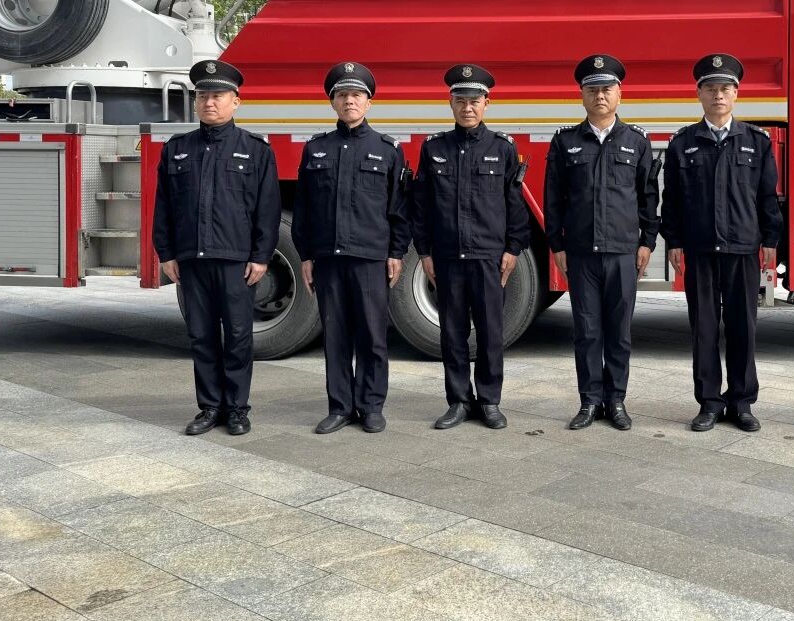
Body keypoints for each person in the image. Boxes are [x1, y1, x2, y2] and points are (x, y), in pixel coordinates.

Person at [153, 59, 280, 437]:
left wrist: (261, 257)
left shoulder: (255, 149)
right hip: (192, 260)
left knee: (238, 336)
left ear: (236, 101)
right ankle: (209, 407)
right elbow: (164, 206)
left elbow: (268, 209)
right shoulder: (177, 149)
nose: (209, 102)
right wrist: (166, 253)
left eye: (218, 96)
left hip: (235, 262)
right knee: (201, 336)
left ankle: (237, 409)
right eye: (203, 96)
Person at [662, 53, 783, 432]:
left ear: (736, 94)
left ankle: (742, 402)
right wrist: (674, 241)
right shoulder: (683, 143)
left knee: (743, 327)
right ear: (699, 94)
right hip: (699, 249)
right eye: (711, 89)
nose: (718, 95)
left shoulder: (756, 142)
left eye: (725, 88)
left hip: (743, 249)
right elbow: (672, 199)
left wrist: (771, 239)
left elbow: (768, 196)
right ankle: (709, 403)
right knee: (704, 329)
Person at [291, 62, 411, 435]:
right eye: (342, 95)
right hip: (328, 258)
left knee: (373, 336)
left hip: (370, 259)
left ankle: (371, 406)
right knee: (336, 336)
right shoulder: (316, 149)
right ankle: (340, 407)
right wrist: (306, 255)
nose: (349, 101)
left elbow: (399, 209)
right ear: (333, 102)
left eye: (357, 95)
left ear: (368, 102)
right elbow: (304, 208)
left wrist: (396, 253)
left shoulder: (388, 150)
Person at [411, 64, 530, 430]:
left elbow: (515, 203)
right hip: (447, 257)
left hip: (488, 258)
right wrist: (425, 252)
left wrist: (513, 248)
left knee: (491, 333)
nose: (467, 107)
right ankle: (459, 401)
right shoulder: (434, 148)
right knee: (452, 333)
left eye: (474, 101)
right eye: (461, 100)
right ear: (451, 103)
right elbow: (421, 205)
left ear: (486, 104)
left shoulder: (503, 148)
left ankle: (489, 401)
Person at [545, 54, 660, 431]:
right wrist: (557, 245)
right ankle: (590, 401)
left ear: (619, 94)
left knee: (619, 333)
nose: (600, 96)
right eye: (592, 90)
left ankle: (617, 400)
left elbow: (648, 196)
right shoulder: (565, 142)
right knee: (587, 331)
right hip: (581, 254)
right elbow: (553, 198)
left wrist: (647, 242)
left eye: (607, 89)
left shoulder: (636, 141)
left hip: (623, 253)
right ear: (582, 95)